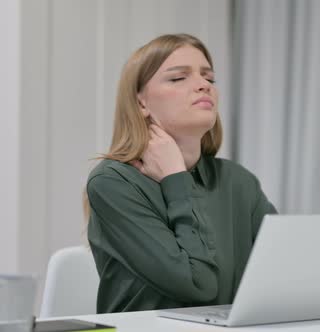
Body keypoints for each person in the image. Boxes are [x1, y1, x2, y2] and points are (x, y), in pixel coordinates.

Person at [85, 33, 277, 313]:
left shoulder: (238, 181)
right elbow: (199, 286)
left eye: (209, 78)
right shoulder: (114, 183)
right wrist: (176, 179)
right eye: (178, 78)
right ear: (141, 103)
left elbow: (285, 270)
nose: (203, 86)